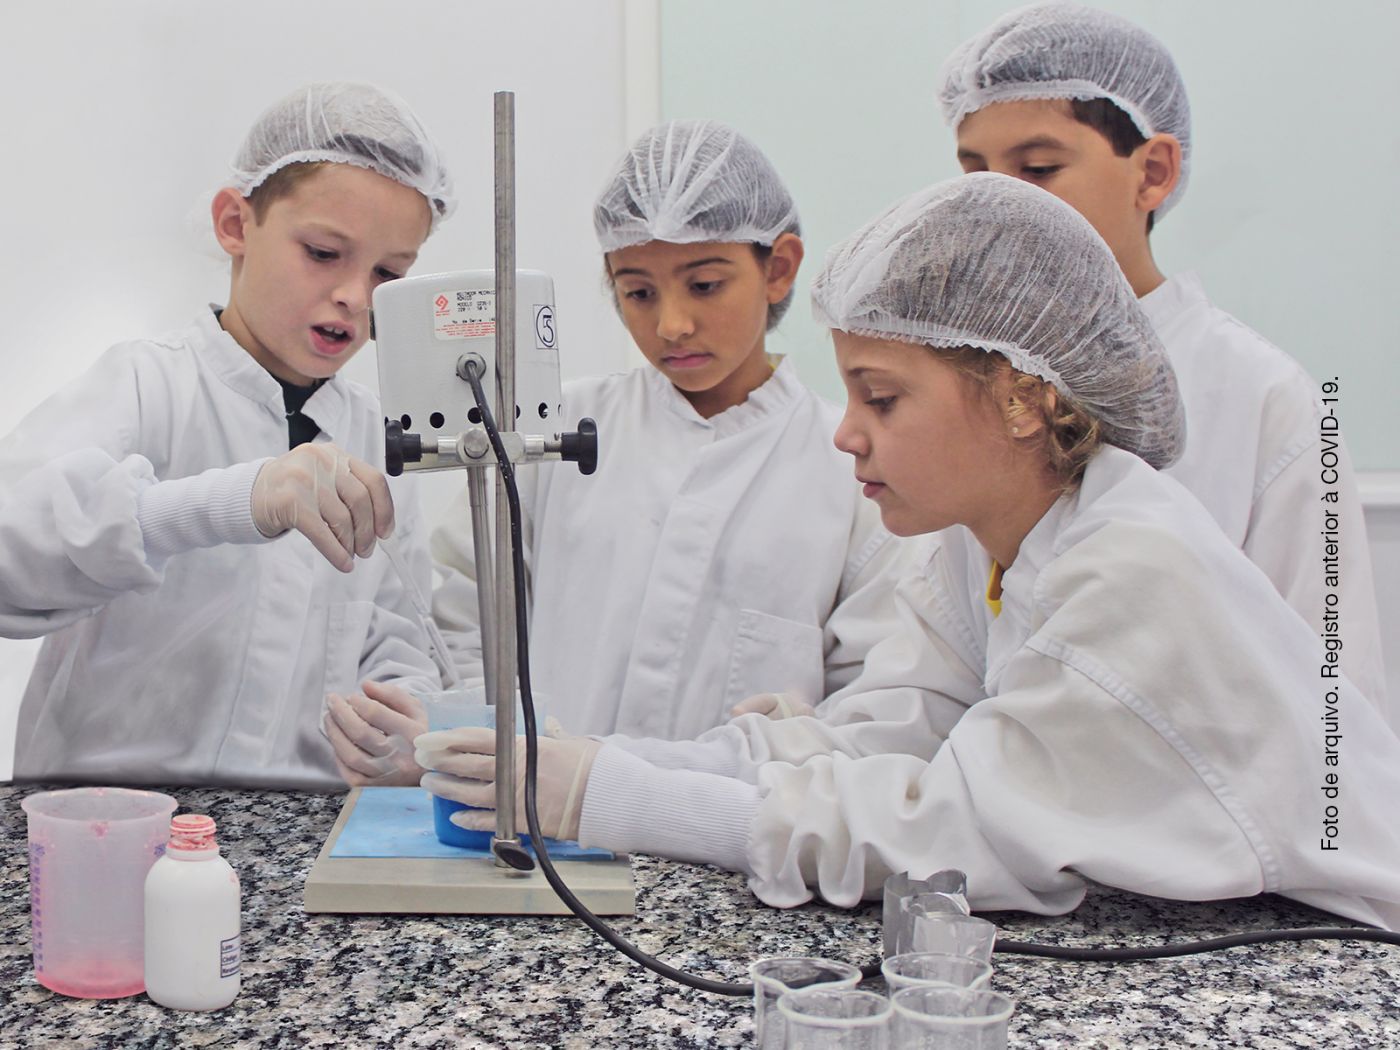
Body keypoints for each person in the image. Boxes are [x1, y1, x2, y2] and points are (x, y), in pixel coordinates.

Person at [416, 174, 1400, 931]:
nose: (846, 434)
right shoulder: (977, 550)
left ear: (1023, 397)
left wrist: (608, 796)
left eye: (880, 399)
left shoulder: (1128, 568)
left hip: (1332, 955)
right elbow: (886, 736)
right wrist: (593, 758)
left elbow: (938, 832)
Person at [326, 119, 916, 786]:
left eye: (705, 285)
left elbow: (877, 698)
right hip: (528, 817)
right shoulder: (546, 429)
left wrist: (801, 732)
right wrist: (473, 741)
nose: (671, 324)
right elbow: (468, 620)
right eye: (638, 292)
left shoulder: (852, 472)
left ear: (777, 269)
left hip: (733, 830)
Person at [937, 2, 1387, 719]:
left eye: (1039, 169)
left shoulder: (1268, 400)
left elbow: (1339, 704)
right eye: (976, 175)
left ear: (1153, 172)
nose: (997, 208)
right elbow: (941, 668)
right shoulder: (967, 391)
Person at [2, 82, 454, 789]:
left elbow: (397, 634)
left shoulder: (376, 435)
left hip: (300, 822)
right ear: (234, 223)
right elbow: (11, 555)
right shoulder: (148, 384)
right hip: (107, 816)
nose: (355, 296)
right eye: (324, 252)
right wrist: (229, 502)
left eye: (388, 273)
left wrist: (403, 716)